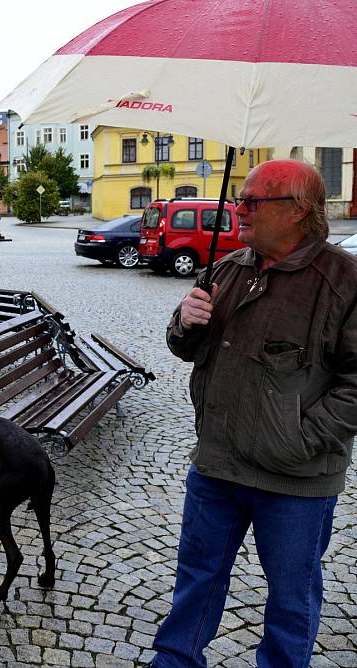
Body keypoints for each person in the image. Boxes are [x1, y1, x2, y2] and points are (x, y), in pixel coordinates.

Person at [149, 160, 357, 667]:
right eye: (240, 198)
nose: (240, 209)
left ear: (299, 211)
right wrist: (185, 322)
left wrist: (301, 438)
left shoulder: (343, 281)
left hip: (295, 480)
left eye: (255, 201)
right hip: (217, 465)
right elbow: (186, 347)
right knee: (197, 579)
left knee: (291, 597)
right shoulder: (230, 268)